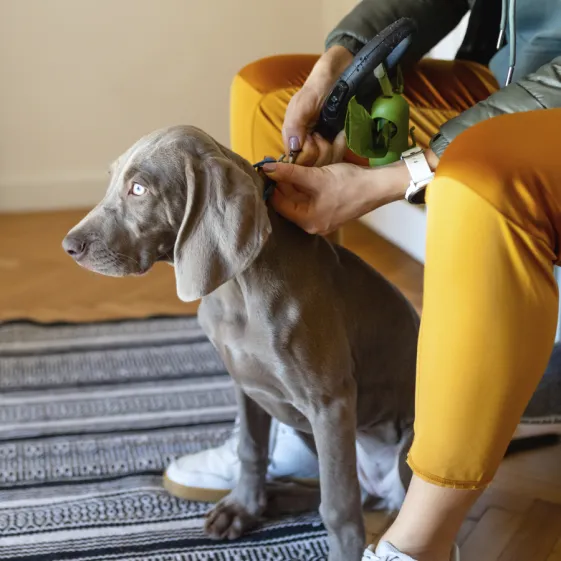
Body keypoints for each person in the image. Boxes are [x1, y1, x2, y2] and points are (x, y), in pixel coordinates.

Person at [165, 1, 561, 559]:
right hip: (511, 81)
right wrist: (340, 59)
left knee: (477, 176)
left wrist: (400, 175)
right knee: (267, 91)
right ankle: (304, 428)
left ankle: (420, 538)